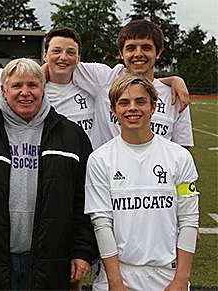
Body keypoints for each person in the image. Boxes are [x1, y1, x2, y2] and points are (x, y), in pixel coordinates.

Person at [0, 58, 99, 290]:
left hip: (52, 263)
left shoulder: (73, 137)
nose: (25, 93)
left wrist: (83, 252)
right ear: (3, 90)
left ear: (43, 89)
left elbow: (84, 203)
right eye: (17, 86)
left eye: (33, 85)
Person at [84, 73, 199, 290]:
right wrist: (115, 282)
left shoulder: (179, 157)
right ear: (113, 110)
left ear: (154, 107)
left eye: (141, 101)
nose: (132, 108)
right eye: (124, 102)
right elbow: (101, 224)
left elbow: (188, 221)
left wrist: (181, 280)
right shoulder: (99, 160)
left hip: (168, 276)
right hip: (118, 276)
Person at [73, 19, 193, 149]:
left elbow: (181, 151)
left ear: (158, 52)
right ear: (121, 53)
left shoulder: (175, 96)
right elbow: (58, 65)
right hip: (108, 168)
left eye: (146, 48)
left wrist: (174, 80)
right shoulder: (104, 79)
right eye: (131, 48)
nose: (138, 54)